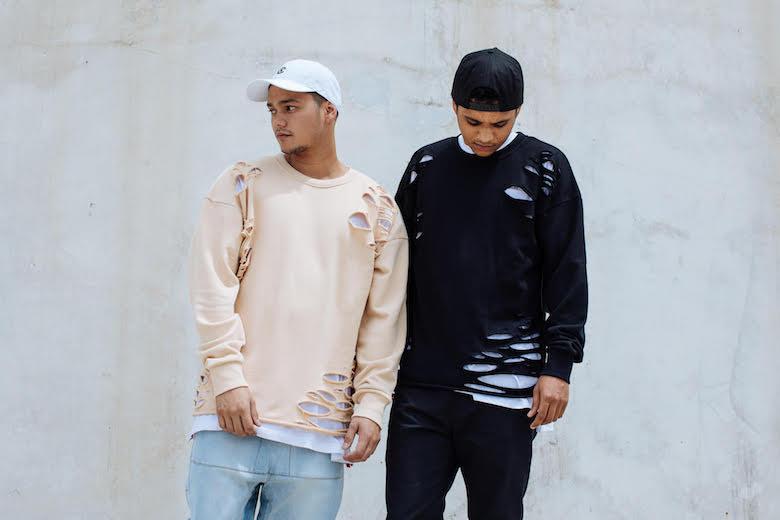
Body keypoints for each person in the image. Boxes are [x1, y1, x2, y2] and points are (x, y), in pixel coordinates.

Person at [186, 59, 408, 520]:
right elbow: (211, 288)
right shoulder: (242, 184)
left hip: (318, 437)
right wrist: (227, 379)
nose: (278, 121)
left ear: (329, 111)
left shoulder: (377, 207)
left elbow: (383, 321)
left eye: (290, 107)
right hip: (231, 420)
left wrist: (371, 406)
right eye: (272, 109)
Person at [386, 47, 588, 519]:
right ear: (454, 106)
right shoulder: (426, 165)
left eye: (500, 124)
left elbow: (567, 271)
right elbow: (392, 270)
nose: (484, 135)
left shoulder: (545, 167)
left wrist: (558, 368)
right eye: (472, 121)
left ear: (518, 112)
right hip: (421, 386)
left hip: (507, 390)